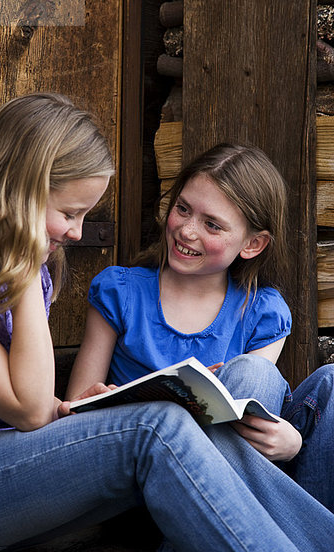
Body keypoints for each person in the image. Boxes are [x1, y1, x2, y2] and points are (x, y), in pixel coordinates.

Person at [0, 100, 333, 552]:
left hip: (14, 469)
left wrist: (95, 411)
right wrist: (26, 269)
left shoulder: (32, 272)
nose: (78, 234)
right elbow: (29, 411)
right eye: (69, 213)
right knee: (156, 427)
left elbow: (42, 411)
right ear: (17, 196)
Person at [66, 143, 302, 462]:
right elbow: (73, 410)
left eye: (212, 225)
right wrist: (103, 406)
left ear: (253, 244)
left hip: (229, 468)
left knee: (257, 373)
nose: (187, 230)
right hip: (139, 460)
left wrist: (292, 442)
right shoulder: (121, 292)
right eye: (183, 209)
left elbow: (249, 427)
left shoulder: (262, 313)